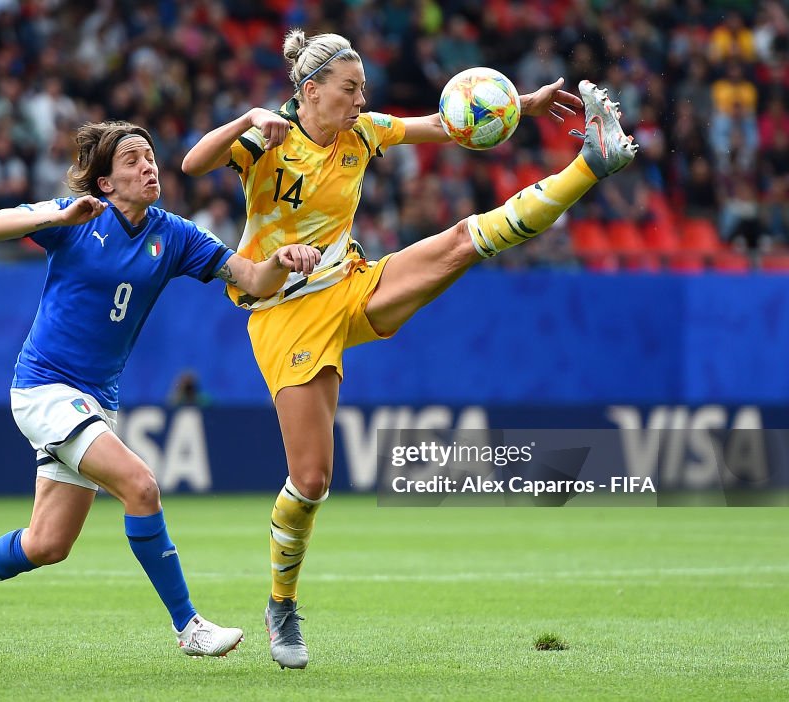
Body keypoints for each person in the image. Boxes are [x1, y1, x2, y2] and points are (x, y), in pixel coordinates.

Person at [182, 29, 638, 669]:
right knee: (311, 480)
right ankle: (281, 604)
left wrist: (519, 105)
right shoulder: (269, 141)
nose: (360, 98)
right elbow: (192, 166)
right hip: (283, 314)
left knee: (460, 242)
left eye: (362, 88)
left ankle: (593, 161)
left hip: (350, 286)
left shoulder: (362, 133)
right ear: (310, 92)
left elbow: (447, 125)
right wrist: (246, 120)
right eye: (350, 89)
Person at [0, 120, 321, 659]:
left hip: (96, 400)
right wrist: (59, 214)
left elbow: (252, 279)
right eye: (131, 160)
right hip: (44, 388)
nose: (148, 167)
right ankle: (188, 626)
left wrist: (282, 262)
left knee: (47, 544)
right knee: (141, 485)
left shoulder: (174, 234)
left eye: (150, 157)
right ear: (105, 182)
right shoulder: (78, 217)